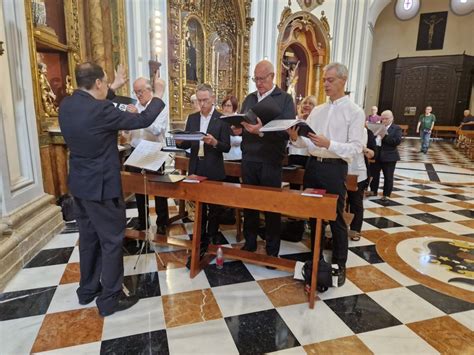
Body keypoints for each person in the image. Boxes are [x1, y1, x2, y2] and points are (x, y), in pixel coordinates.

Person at [58, 62, 166, 316]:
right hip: (102, 188)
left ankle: (87, 290)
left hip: (80, 186)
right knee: (112, 240)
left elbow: (97, 99)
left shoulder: (67, 105)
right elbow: (144, 118)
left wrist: (114, 85)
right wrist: (159, 93)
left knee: (88, 239)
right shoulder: (101, 110)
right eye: (106, 82)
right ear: (97, 83)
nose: (109, 86)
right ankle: (109, 299)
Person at [288, 62, 365, 286]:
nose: (326, 84)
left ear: (344, 80)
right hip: (313, 166)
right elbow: (306, 143)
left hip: (334, 167)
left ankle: (340, 263)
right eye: (324, 80)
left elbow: (356, 147)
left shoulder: (355, 112)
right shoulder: (319, 110)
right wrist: (295, 138)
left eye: (330, 80)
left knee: (336, 217)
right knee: (314, 214)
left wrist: (329, 143)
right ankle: (316, 257)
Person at [240, 60, 296, 258]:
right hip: (249, 159)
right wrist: (239, 128)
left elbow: (286, 131)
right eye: (256, 79)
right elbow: (243, 123)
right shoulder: (249, 98)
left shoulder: (285, 100)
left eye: (262, 79)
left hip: (271, 160)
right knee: (249, 204)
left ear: (272, 76)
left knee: (272, 206)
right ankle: (250, 243)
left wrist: (261, 131)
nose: (258, 83)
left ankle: (272, 250)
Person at [176, 83, 231, 267]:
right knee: (199, 206)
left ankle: (213, 236)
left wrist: (215, 142)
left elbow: (226, 146)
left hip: (213, 168)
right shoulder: (192, 118)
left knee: (214, 208)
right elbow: (186, 145)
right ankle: (199, 238)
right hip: (196, 167)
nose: (202, 104)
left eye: (205, 100)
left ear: (213, 98)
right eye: (199, 100)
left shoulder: (221, 118)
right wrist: (180, 141)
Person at [122, 77, 169, 235]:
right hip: (136, 150)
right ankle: (143, 221)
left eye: (140, 91)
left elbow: (157, 130)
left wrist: (139, 115)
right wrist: (126, 124)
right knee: (138, 189)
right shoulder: (134, 106)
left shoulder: (160, 106)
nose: (138, 95)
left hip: (155, 151)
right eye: (136, 92)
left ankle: (162, 222)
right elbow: (126, 132)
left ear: (150, 90)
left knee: (159, 189)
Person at [346, 125, 376, 241]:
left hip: (359, 172)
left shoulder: (367, 132)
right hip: (340, 170)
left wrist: (364, 149)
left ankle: (355, 230)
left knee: (356, 202)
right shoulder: (343, 128)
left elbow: (373, 154)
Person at [369, 110, 402, 200]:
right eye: (382, 118)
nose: (384, 120)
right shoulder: (378, 127)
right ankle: (373, 190)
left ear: (392, 118)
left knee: (388, 176)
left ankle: (386, 194)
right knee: (374, 174)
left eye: (386, 119)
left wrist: (384, 136)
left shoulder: (396, 128)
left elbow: (397, 141)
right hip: (377, 154)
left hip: (389, 156)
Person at [288, 95, 316, 190]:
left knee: (307, 184)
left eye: (310, 104)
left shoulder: (316, 121)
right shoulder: (294, 119)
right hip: (294, 154)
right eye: (305, 103)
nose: (307, 105)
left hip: (308, 156)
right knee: (294, 185)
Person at [221, 95, 242, 163]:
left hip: (237, 157)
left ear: (234, 107)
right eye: (224, 105)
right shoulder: (220, 120)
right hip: (222, 157)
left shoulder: (239, 119)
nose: (226, 108)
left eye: (229, 105)